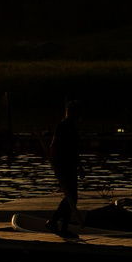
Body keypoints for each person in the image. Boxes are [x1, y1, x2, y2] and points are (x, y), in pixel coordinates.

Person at [47, 100, 82, 237]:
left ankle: (61, 226)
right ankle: (56, 223)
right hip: (65, 166)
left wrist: (80, 168)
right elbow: (53, 146)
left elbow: (74, 149)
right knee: (71, 197)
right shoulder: (63, 126)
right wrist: (57, 167)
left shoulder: (73, 126)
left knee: (72, 197)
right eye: (78, 111)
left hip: (71, 165)